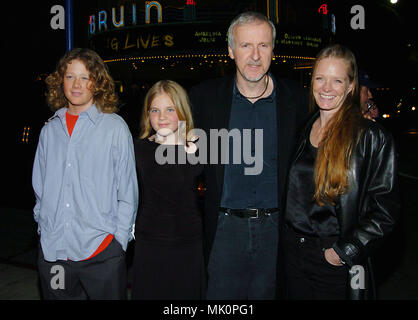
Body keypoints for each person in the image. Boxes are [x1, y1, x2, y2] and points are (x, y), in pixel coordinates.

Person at [188, 12, 308, 299]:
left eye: (263, 46)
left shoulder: (299, 101)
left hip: (277, 232)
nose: (255, 56)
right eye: (245, 46)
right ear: (230, 51)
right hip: (224, 230)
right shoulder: (202, 98)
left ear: (273, 50)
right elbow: (172, 153)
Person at [282, 44, 399, 300]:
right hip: (292, 254)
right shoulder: (304, 128)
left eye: (337, 81)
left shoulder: (370, 137)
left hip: (331, 260)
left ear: (350, 86)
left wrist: (345, 251)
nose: (326, 88)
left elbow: (386, 211)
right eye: (320, 78)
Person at [32, 48, 138, 300]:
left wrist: (118, 242)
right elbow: (40, 186)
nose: (76, 84)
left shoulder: (114, 128)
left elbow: (128, 191)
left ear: (97, 82)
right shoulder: (50, 130)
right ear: (61, 82)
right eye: (70, 77)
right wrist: (44, 226)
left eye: (85, 77)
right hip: (54, 252)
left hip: (101, 253)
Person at [131, 80, 205, 300]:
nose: (161, 116)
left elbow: (187, 175)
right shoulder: (138, 149)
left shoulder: (197, 148)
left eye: (170, 109)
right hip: (149, 242)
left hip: (187, 243)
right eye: (155, 110)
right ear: (148, 114)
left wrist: (182, 143)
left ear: (182, 111)